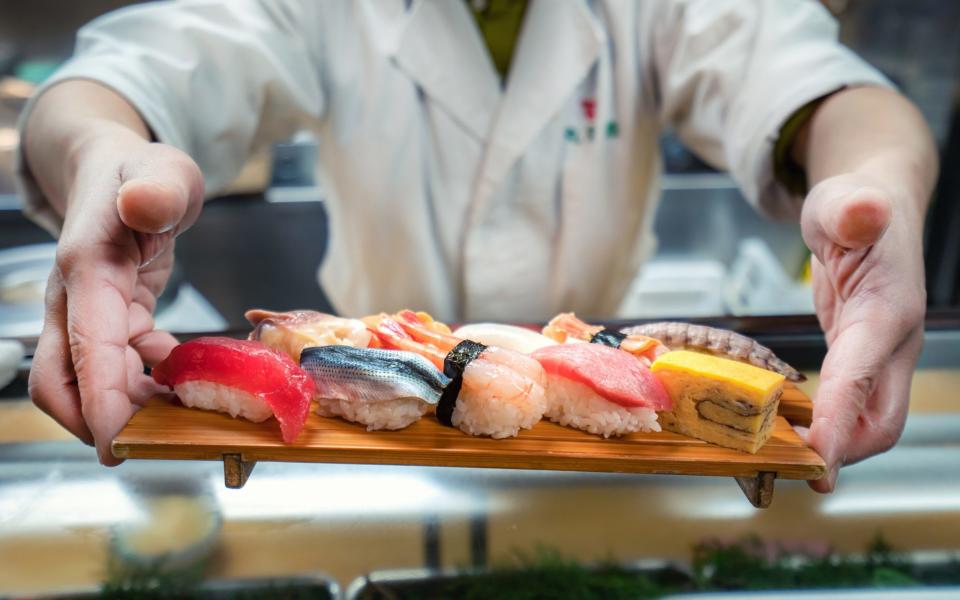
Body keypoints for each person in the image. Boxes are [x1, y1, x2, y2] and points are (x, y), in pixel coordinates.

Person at [18, 0, 935, 493]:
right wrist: (103, 152)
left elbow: (832, 90)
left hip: (606, 454)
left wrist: (877, 185)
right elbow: (122, 74)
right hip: (364, 438)